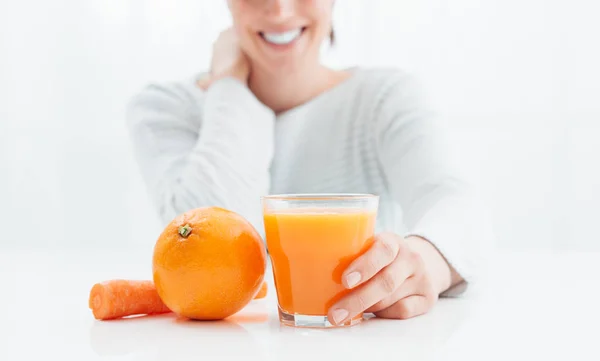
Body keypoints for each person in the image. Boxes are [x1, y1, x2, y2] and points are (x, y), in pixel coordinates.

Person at [126, 0, 493, 325]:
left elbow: (458, 205)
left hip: (359, 352)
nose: (281, 10)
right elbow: (205, 256)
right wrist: (229, 86)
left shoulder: (384, 97)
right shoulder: (164, 108)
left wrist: (427, 260)